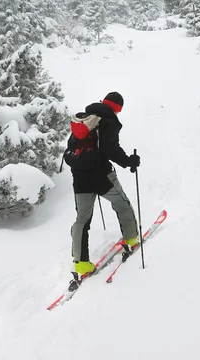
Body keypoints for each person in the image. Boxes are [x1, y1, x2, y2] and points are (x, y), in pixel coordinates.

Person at [63, 91, 140, 275]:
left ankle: (81, 263)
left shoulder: (84, 119)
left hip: (79, 177)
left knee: (82, 219)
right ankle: (131, 239)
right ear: (117, 108)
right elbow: (109, 148)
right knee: (122, 203)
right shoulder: (108, 120)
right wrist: (129, 161)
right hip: (101, 176)